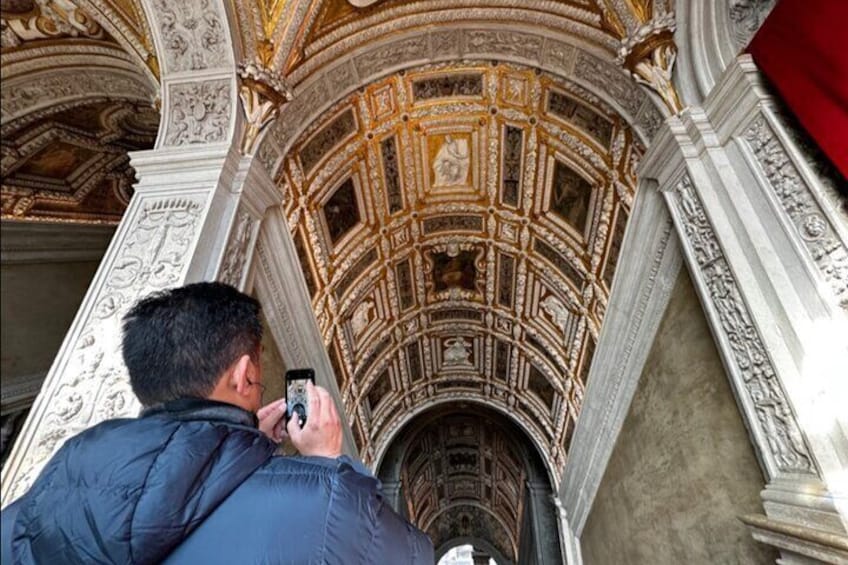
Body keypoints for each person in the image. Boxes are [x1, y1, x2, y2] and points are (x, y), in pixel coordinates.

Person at [0, 282, 433, 564]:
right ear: (244, 374)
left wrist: (238, 454)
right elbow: (412, 557)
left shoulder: (47, 489)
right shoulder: (326, 500)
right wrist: (326, 465)